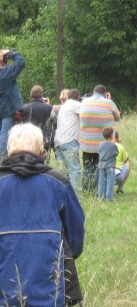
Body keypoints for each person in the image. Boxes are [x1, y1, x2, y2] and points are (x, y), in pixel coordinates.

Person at [0, 123, 84, 307]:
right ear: (41, 149)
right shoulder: (59, 183)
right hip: (50, 286)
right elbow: (76, 234)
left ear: (9, 149)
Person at [78, 85, 120, 193]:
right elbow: (117, 117)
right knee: (100, 167)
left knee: (87, 166)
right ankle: (97, 190)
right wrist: (109, 100)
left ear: (93, 92)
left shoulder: (84, 102)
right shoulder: (108, 103)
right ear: (105, 93)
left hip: (86, 142)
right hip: (103, 143)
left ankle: (86, 190)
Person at [53, 89, 82, 190]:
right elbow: (88, 112)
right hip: (69, 140)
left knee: (62, 172)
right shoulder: (74, 104)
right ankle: (76, 195)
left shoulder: (64, 105)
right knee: (74, 169)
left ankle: (61, 192)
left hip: (58, 141)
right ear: (78, 97)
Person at [0, 49, 25, 160]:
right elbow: (21, 61)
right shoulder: (6, 73)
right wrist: (10, 52)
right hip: (7, 109)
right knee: (5, 133)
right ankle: (3, 158)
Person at [22, 85, 55, 154]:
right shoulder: (49, 107)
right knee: (43, 160)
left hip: (29, 139)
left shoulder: (24, 108)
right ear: (41, 95)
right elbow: (55, 121)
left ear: (31, 95)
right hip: (44, 139)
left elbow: (21, 124)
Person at [97, 127, 118, 201]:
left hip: (101, 165)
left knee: (101, 181)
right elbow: (116, 153)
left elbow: (99, 152)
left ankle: (100, 197)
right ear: (111, 135)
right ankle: (109, 197)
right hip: (110, 166)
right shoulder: (113, 145)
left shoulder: (100, 144)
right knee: (110, 182)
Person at [114, 129, 130, 194]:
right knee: (128, 163)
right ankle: (120, 188)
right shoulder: (120, 146)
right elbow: (126, 160)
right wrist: (119, 144)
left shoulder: (103, 146)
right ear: (117, 138)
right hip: (117, 176)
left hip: (105, 176)